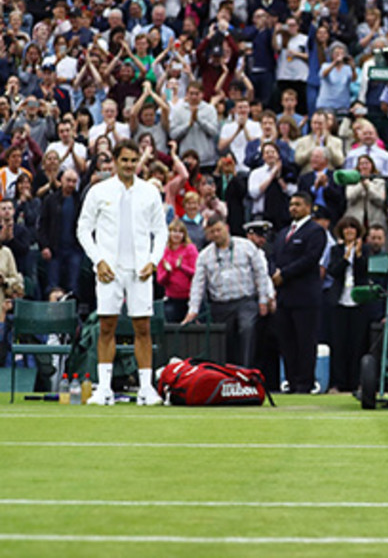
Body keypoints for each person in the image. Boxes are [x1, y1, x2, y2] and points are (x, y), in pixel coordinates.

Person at [76, 139, 169, 406]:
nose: (129, 165)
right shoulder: (99, 191)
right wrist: (99, 261)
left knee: (143, 327)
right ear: (115, 162)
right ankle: (103, 389)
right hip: (109, 271)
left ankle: (146, 389)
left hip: (140, 271)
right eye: (124, 160)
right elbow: (83, 229)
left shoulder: (150, 192)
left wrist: (153, 260)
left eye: (133, 160)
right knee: (106, 326)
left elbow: (160, 231)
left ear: (138, 161)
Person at [183, 217, 274, 368]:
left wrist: (263, 299)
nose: (216, 234)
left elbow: (260, 273)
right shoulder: (204, 255)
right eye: (212, 232)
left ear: (227, 228)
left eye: (219, 230)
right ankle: (229, 375)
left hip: (245, 300)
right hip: (221, 304)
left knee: (247, 328)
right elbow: (198, 284)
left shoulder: (246, 247)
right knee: (226, 340)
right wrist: (193, 310)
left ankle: (246, 371)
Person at [271, 192, 326, 393]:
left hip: (305, 297)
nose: (293, 208)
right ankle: (292, 382)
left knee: (305, 341)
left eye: (298, 204)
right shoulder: (283, 232)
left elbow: (310, 259)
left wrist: (283, 274)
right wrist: (274, 273)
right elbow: (273, 256)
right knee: (287, 342)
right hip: (284, 296)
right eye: (291, 204)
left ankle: (305, 382)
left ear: (308, 207)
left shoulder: (315, 231)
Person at [327, 216, 370, 393]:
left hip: (359, 302)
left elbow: (365, 271)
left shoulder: (366, 249)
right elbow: (333, 271)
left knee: (358, 343)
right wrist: (345, 258)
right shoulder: (336, 250)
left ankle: (357, 382)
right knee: (339, 344)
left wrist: (358, 255)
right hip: (339, 300)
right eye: (346, 228)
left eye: (352, 227)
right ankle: (338, 382)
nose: (349, 230)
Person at [156, 219, 198, 323]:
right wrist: (168, 272)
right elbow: (160, 280)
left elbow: (196, 273)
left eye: (180, 232)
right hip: (172, 298)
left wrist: (182, 267)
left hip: (190, 298)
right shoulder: (163, 251)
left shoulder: (190, 249)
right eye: (174, 231)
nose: (177, 234)